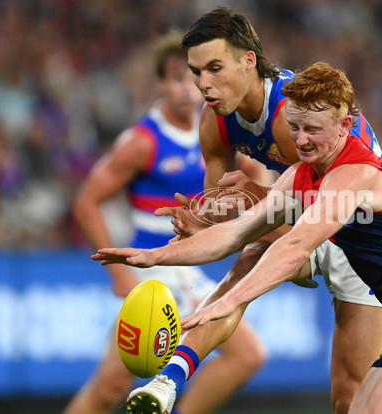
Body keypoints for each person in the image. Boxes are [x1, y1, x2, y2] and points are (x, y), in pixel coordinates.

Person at [94, 61, 382, 414]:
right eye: (295, 127)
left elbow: (296, 245)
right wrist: (154, 257)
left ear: (345, 125)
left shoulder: (355, 173)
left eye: (312, 130)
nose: (300, 140)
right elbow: (234, 234)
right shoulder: (301, 174)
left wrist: (230, 300)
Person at [123, 7, 382, 414]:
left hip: (366, 231)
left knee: (349, 398)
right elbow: (228, 213)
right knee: (242, 267)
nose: (203, 84)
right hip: (308, 217)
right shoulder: (215, 121)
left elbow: (319, 217)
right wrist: (202, 219)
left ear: (249, 60)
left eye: (214, 68)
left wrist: (254, 208)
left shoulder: (290, 117)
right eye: (196, 72)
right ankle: (168, 380)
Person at [65, 30, 267, 414]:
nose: (187, 88)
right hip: (152, 272)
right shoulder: (143, 140)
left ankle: (167, 403)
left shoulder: (215, 126)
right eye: (175, 77)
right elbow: (86, 202)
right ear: (160, 83)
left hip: (187, 268)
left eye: (190, 77)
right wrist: (119, 275)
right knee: (110, 386)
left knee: (247, 355)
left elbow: (248, 175)